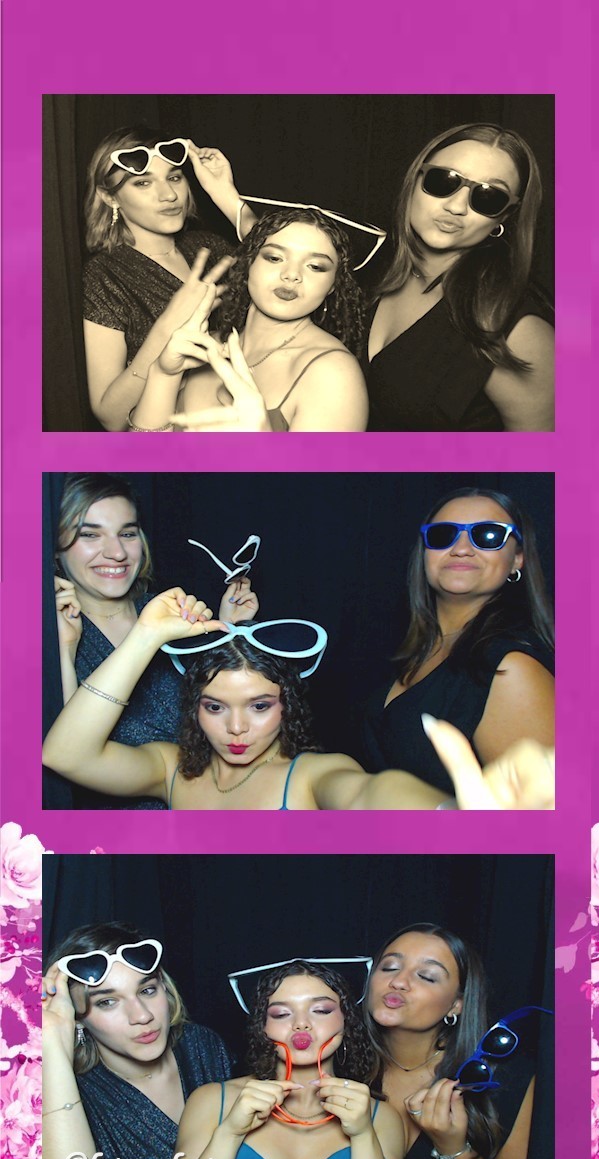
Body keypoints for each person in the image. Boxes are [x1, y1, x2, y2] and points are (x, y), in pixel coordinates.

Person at [41, 588, 555, 810]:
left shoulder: (313, 775)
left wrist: (448, 812)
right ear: (193, 707)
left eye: (259, 705)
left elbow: (370, 794)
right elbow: (65, 755)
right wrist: (145, 637)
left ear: (288, 705)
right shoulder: (169, 768)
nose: (236, 728)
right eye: (215, 707)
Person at [52, 474, 258, 809]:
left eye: (127, 533)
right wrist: (63, 650)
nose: (117, 552)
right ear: (55, 549)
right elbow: (62, 756)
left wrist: (229, 632)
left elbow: (226, 719)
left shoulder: (171, 612)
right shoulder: (50, 635)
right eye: (89, 534)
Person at [358, 489, 553, 797]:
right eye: (443, 535)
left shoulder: (511, 669)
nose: (461, 549)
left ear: (518, 559)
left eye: (487, 535)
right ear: (425, 553)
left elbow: (539, 812)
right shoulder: (412, 649)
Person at [366, 124, 554, 431]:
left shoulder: (519, 330)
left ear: (504, 216)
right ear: (415, 180)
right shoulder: (367, 269)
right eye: (444, 180)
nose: (456, 207)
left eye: (488, 197)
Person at [122, 208, 369, 433]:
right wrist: (163, 374)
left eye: (315, 266)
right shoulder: (203, 347)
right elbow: (140, 461)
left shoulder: (333, 373)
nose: (291, 275)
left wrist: (263, 446)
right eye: (275, 258)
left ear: (332, 285)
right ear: (249, 263)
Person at [171, 962, 406, 1159]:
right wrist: (229, 1133)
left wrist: (363, 1136)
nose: (301, 1024)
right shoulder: (212, 1101)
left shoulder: (380, 1117)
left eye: (321, 1011)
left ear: (347, 1021)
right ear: (262, 1027)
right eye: (281, 1014)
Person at [40, 923, 231, 1159]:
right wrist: (53, 1037)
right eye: (107, 1002)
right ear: (77, 1016)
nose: (142, 1015)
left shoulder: (203, 1045)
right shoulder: (71, 1092)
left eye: (147, 990)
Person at [80, 127, 249, 429]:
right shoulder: (105, 274)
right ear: (109, 196)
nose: (169, 195)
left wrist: (226, 195)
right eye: (143, 183)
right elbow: (110, 416)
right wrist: (168, 326)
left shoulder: (210, 247)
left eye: (174, 177)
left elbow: (291, 260)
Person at [364, 925, 537, 1159]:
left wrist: (452, 1147)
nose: (398, 981)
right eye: (389, 967)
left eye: (426, 976)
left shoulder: (505, 1079)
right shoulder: (337, 1063)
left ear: (456, 1005)